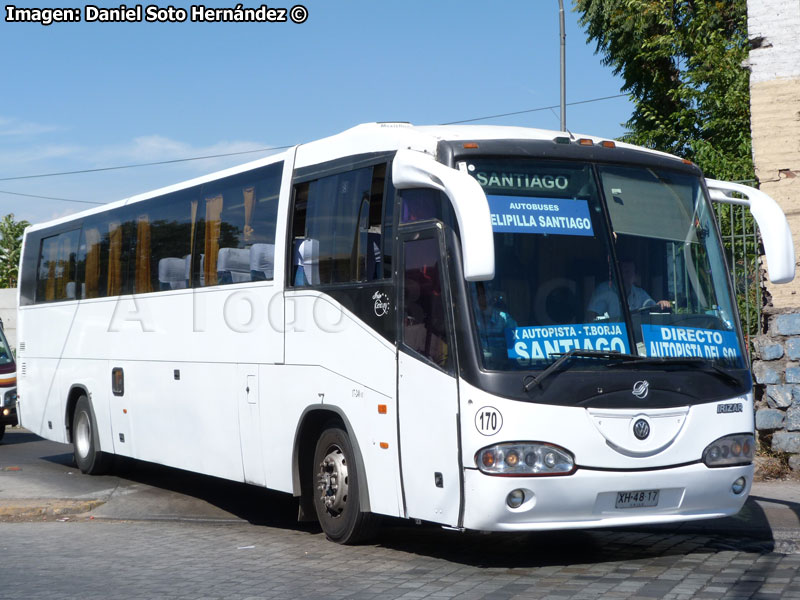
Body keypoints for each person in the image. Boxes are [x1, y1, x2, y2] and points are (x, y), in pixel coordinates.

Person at [587, 260, 671, 320]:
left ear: (635, 276)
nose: (623, 276)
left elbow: (652, 308)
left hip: (633, 338)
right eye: (621, 272)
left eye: (627, 272)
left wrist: (660, 304)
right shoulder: (604, 290)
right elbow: (591, 317)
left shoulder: (640, 293)